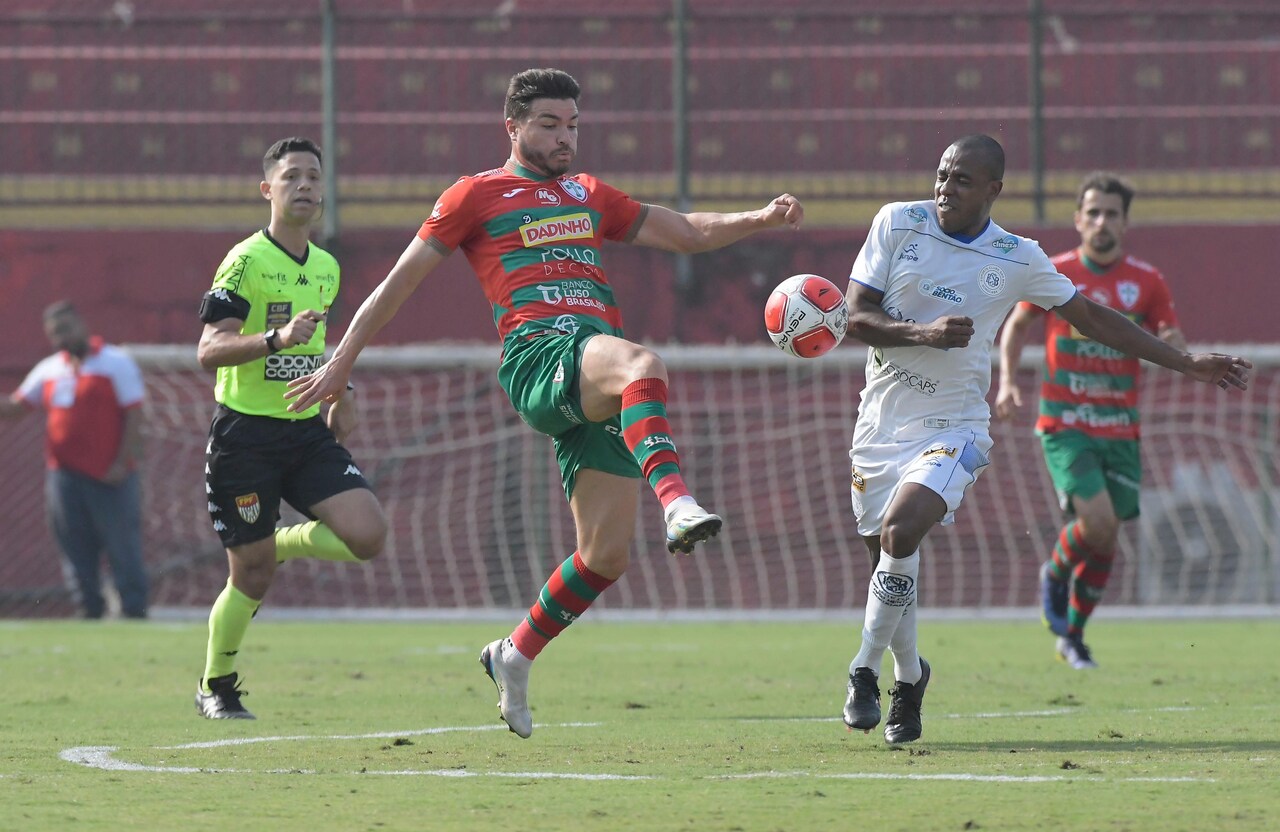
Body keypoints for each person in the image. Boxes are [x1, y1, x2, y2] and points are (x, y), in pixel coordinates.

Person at [285, 68, 805, 738]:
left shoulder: (586, 193)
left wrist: (757, 217)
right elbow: (398, 283)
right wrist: (342, 359)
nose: (566, 137)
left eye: (573, 125)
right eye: (550, 125)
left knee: (605, 557)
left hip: (594, 372)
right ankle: (677, 502)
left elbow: (686, 232)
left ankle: (514, 654)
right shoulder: (476, 194)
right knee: (645, 363)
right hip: (540, 356)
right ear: (514, 127)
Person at [840, 135, 1250, 744]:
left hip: (955, 426)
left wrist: (1183, 362)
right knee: (888, 567)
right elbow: (854, 317)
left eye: (962, 180)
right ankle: (911, 676)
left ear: (993, 190)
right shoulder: (898, 224)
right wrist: (922, 333)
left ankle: (862, 673)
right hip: (880, 424)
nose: (945, 188)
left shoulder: (1017, 256)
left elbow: (1093, 318)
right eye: (942, 175)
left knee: (903, 533)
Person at [194, 136, 388, 720]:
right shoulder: (245, 261)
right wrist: (274, 339)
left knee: (368, 536)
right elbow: (210, 349)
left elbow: (321, 346)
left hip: (304, 433)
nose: (304, 185)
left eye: (313, 177)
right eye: (291, 177)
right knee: (250, 575)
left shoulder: (326, 268)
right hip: (245, 438)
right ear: (267, 190)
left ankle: (282, 541)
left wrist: (341, 389)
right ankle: (216, 683)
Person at [994, 172, 1185, 669]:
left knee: (1106, 539)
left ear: (1125, 223)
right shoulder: (1055, 272)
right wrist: (1010, 383)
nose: (1102, 222)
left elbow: (1170, 334)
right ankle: (1054, 574)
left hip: (1120, 426)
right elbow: (1016, 327)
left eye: (1112, 214)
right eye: (1093, 212)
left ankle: (1073, 637)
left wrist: (1181, 350)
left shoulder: (1148, 280)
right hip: (1065, 422)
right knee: (1096, 522)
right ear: (1078, 219)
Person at [0, 301, 149, 619]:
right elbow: (16, 407)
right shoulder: (50, 369)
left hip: (110, 474)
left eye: (66, 328)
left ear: (82, 324)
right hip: (65, 476)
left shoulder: (114, 363)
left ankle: (134, 611)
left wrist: (123, 463)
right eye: (55, 333)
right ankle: (89, 610)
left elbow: (134, 414)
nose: (62, 337)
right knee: (74, 546)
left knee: (122, 544)